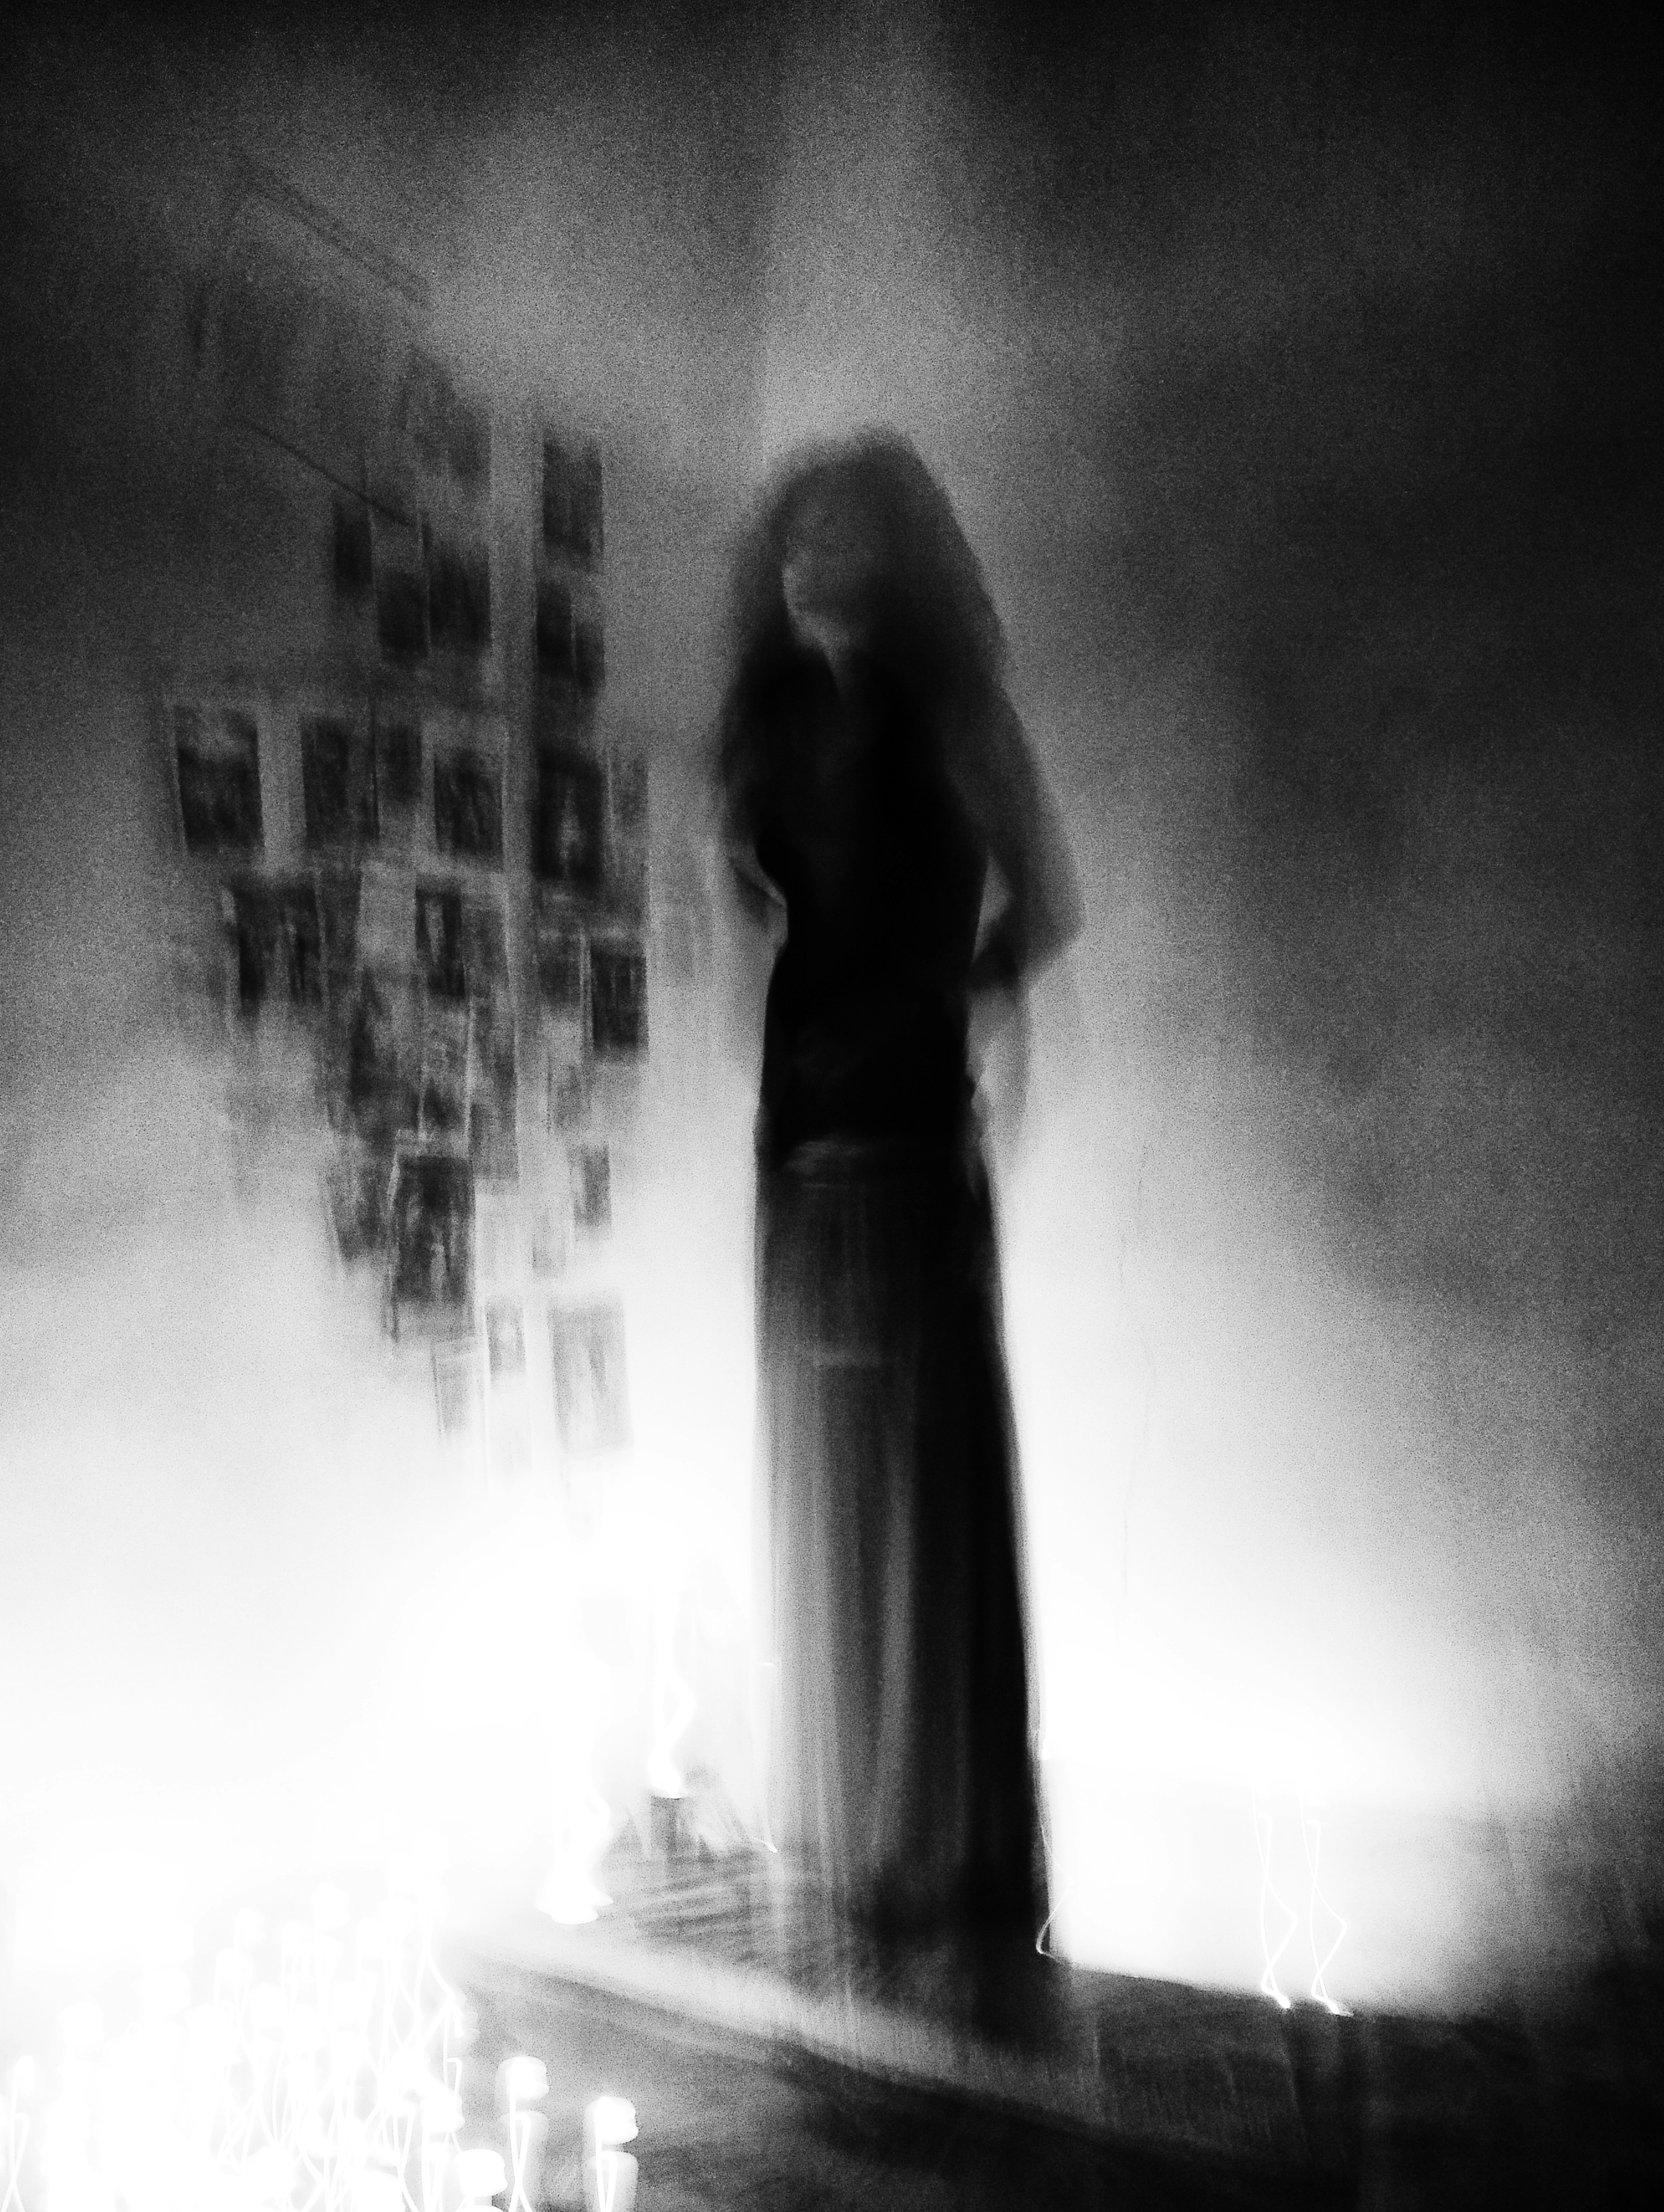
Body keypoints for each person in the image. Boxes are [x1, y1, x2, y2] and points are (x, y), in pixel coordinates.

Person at [717, 429, 1081, 2006]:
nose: (811, 560)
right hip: (799, 1153)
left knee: (921, 1510)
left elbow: (1043, 904)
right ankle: (841, 1871)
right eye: (795, 536)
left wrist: (953, 997)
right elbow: (758, 911)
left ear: (899, 554)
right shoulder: (775, 723)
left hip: (911, 1158)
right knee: (822, 1494)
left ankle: (941, 1883)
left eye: (842, 533)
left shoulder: (955, 717)